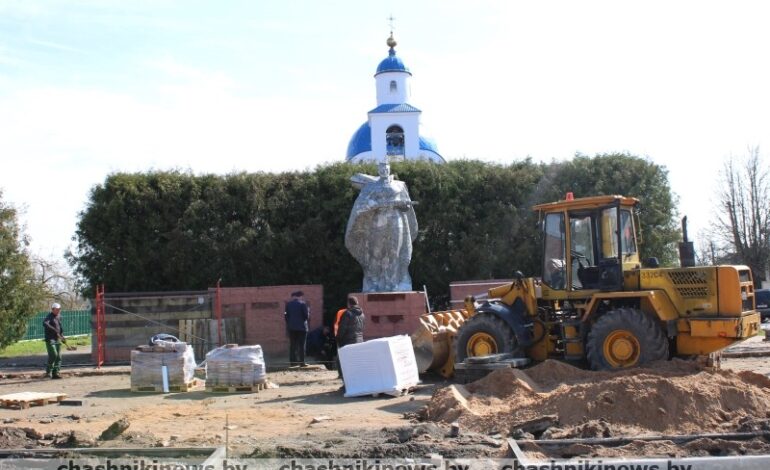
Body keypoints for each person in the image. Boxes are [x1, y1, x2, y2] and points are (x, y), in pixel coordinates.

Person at [345, 161, 418, 292]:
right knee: (376, 252)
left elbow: (407, 207)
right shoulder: (371, 186)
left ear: (390, 169)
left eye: (386, 168)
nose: (384, 170)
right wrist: (375, 204)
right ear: (378, 170)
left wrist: (401, 203)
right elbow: (363, 203)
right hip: (378, 222)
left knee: (394, 253)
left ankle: (393, 283)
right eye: (381, 168)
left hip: (396, 221)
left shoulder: (399, 185)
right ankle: (373, 283)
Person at [335, 296, 365, 381]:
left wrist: (338, 338)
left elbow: (342, 328)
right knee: (355, 362)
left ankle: (344, 380)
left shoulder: (347, 313)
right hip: (359, 340)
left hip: (348, 340)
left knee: (342, 361)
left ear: (349, 303)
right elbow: (362, 327)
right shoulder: (362, 314)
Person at [284, 291, 310, 367]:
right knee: (301, 345)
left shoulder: (288, 305)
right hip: (302, 328)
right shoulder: (303, 304)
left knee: (293, 345)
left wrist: (290, 323)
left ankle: (293, 363)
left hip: (292, 328)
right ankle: (302, 362)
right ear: (300, 296)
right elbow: (306, 316)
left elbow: (286, 316)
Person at [43, 303, 65, 379]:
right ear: (53, 309)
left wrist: (62, 336)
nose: (59, 311)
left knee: (59, 357)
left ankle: (56, 373)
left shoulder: (59, 316)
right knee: (53, 355)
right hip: (50, 339)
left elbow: (60, 327)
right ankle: (48, 372)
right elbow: (45, 323)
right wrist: (54, 330)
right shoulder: (49, 317)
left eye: (59, 309)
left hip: (57, 339)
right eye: (57, 309)